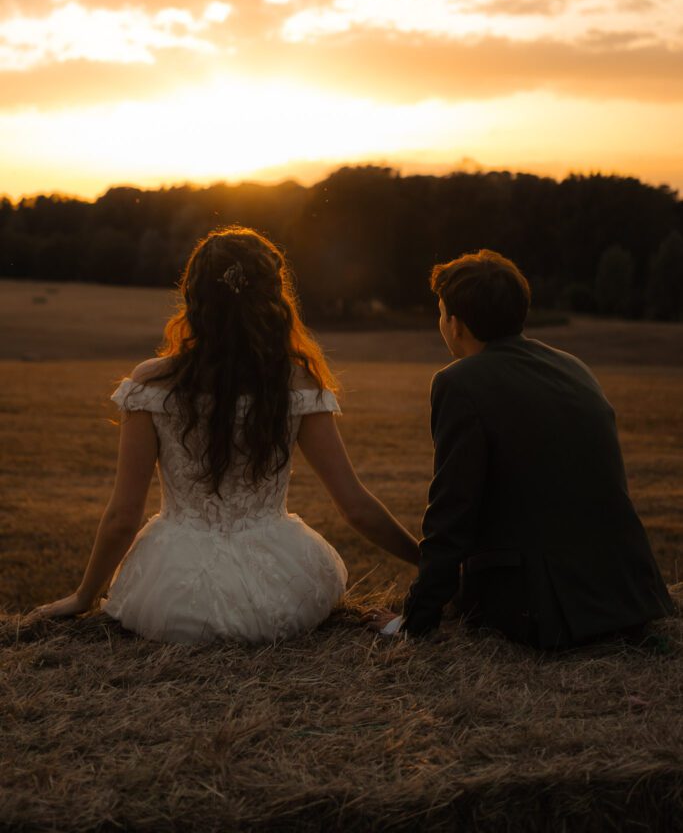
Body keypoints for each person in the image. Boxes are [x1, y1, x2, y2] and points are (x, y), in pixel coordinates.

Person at [27, 226, 419, 643]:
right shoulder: (297, 382)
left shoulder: (153, 382)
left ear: (193, 298)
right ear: (272, 299)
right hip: (282, 594)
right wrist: (430, 560)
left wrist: (84, 596)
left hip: (172, 598)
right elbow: (355, 506)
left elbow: (123, 516)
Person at [371, 249, 674, 648]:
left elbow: (451, 511)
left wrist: (414, 622)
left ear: (456, 324)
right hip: (630, 594)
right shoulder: (573, 366)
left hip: (545, 608)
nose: (441, 322)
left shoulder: (459, 382)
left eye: (441, 312)